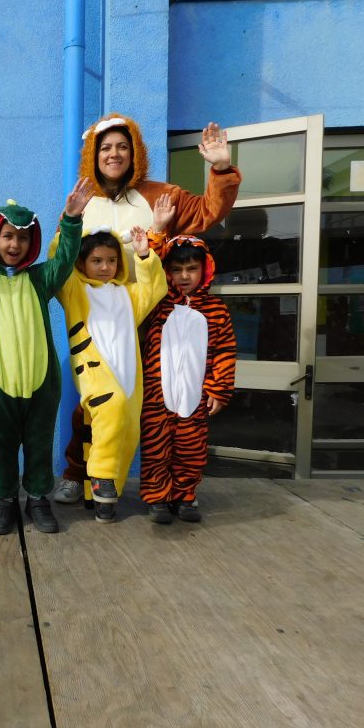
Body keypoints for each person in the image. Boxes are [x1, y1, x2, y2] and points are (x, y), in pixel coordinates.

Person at [53, 113, 242, 506]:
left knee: (158, 408)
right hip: (98, 319)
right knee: (93, 404)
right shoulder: (83, 199)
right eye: (106, 147)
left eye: (122, 146)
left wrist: (222, 170)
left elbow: (207, 212)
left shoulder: (159, 194)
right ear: (93, 155)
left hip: (150, 317)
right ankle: (77, 473)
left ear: (135, 152)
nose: (114, 154)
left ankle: (168, 489)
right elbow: (62, 257)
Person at [0, 173, 94, 535]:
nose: (15, 244)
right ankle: (4, 500)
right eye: (8, 236)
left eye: (23, 238)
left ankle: (38, 498)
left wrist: (72, 220)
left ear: (32, 242)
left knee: (39, 444)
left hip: (42, 384)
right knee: (0, 445)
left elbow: (65, 260)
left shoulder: (40, 279)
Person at [51, 223, 167, 523]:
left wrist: (144, 256)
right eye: (97, 260)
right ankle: (102, 477)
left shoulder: (128, 294)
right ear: (82, 262)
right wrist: (67, 229)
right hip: (94, 371)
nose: (105, 267)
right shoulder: (76, 290)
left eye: (112, 260)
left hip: (127, 373)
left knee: (127, 430)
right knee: (111, 408)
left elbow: (155, 288)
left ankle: (106, 492)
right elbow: (57, 262)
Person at [140, 234, 236, 524]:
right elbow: (147, 272)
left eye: (192, 269)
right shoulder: (157, 303)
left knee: (191, 449)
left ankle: (185, 496)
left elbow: (225, 351)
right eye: (177, 270)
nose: (184, 276)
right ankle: (157, 497)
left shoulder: (216, 309)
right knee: (156, 448)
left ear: (205, 269)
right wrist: (152, 242)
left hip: (196, 396)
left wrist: (219, 389)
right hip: (156, 396)